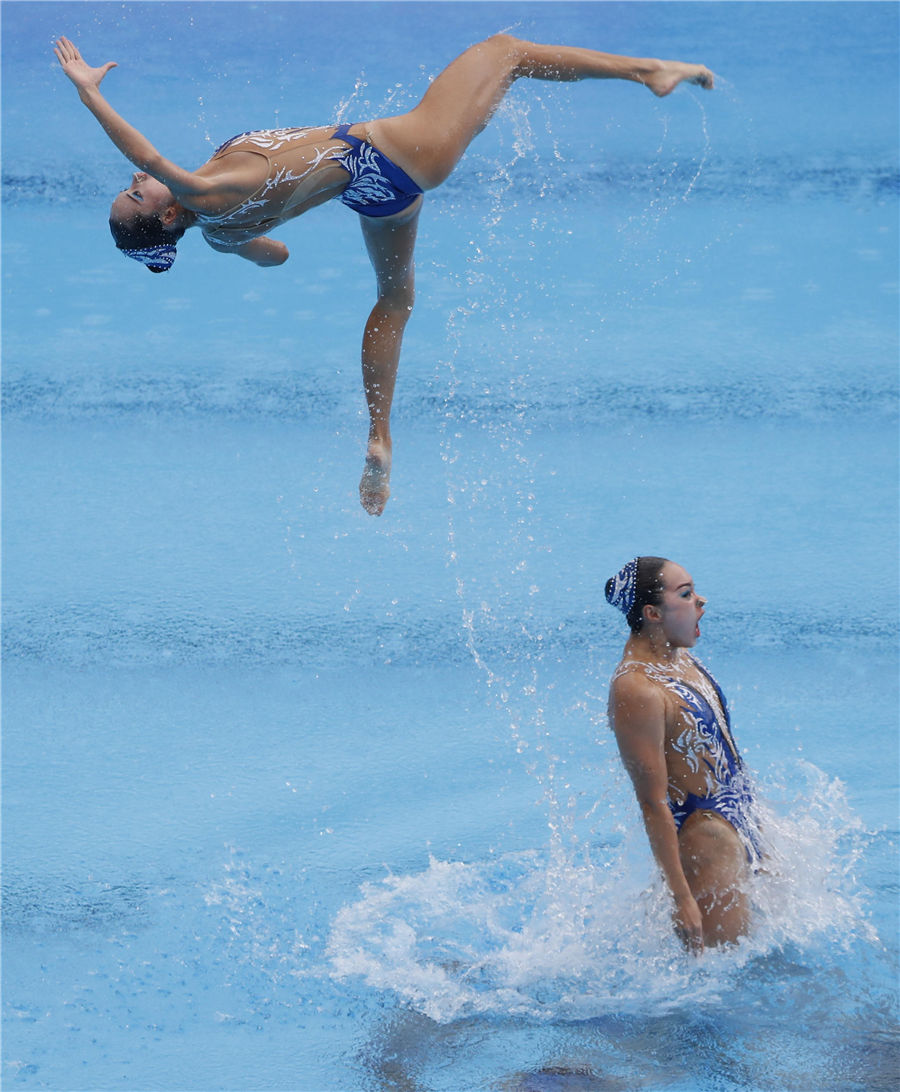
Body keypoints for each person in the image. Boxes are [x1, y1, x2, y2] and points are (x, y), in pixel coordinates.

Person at [54, 35, 714, 516]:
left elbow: (276, 257)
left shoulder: (222, 231)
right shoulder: (201, 193)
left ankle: (380, 435)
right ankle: (647, 70)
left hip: (374, 195)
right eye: (136, 193)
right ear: (168, 217)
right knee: (507, 52)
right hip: (395, 151)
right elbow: (147, 152)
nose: (138, 180)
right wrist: (89, 94)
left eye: (130, 186)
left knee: (394, 299)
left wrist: (255, 230)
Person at [605, 557, 761, 952]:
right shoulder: (636, 689)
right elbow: (652, 801)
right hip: (705, 843)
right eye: (686, 594)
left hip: (737, 821)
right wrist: (681, 898)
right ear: (652, 613)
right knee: (724, 984)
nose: (701, 601)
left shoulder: (681, 659)